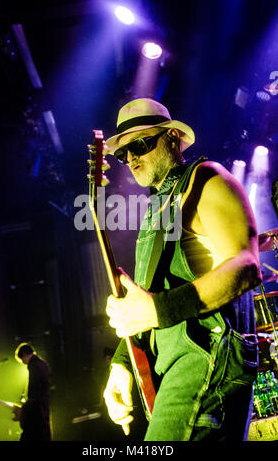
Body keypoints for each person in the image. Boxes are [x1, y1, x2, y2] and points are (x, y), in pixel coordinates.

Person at [103, 98, 262, 441]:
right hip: (176, 364)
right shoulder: (156, 208)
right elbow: (149, 301)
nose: (131, 157)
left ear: (173, 137)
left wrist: (157, 309)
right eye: (123, 153)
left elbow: (246, 265)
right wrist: (122, 364)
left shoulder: (206, 178)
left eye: (140, 144)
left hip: (207, 356)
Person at [14, 343, 51, 441]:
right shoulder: (43, 364)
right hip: (43, 411)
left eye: (22, 359)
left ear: (25, 354)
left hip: (36, 414)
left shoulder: (34, 366)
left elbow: (34, 393)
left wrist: (24, 408)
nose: (23, 362)